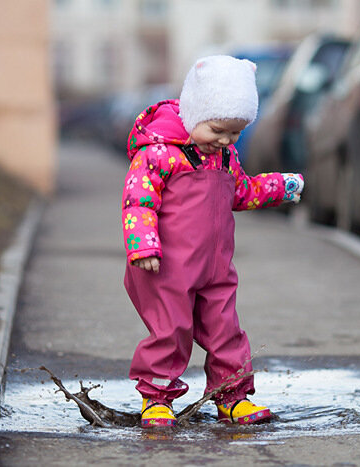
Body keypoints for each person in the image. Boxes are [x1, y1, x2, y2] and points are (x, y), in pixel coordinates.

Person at [121, 55, 304, 428]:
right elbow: (138, 199)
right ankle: (156, 399)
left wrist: (279, 186)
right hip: (164, 267)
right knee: (170, 331)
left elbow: (241, 192)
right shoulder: (160, 154)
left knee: (226, 331)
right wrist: (142, 245)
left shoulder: (223, 157)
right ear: (193, 112)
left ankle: (232, 397)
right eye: (218, 129)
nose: (224, 140)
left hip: (216, 267)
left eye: (235, 133)